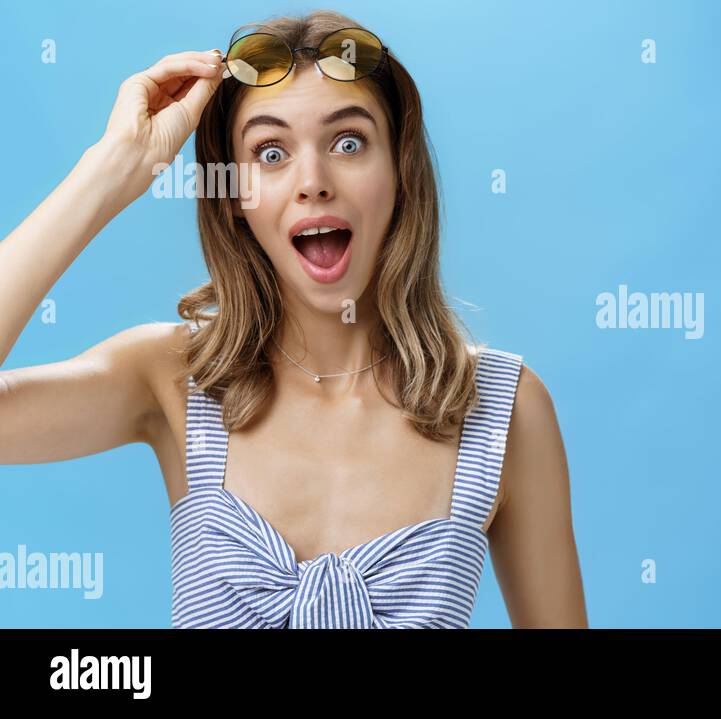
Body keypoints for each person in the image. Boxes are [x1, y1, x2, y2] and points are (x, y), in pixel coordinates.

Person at [0, 10, 586, 628]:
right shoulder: (172, 378)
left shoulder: (504, 409)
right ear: (234, 202)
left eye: (349, 143)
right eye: (271, 152)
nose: (313, 182)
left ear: (402, 175)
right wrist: (111, 170)